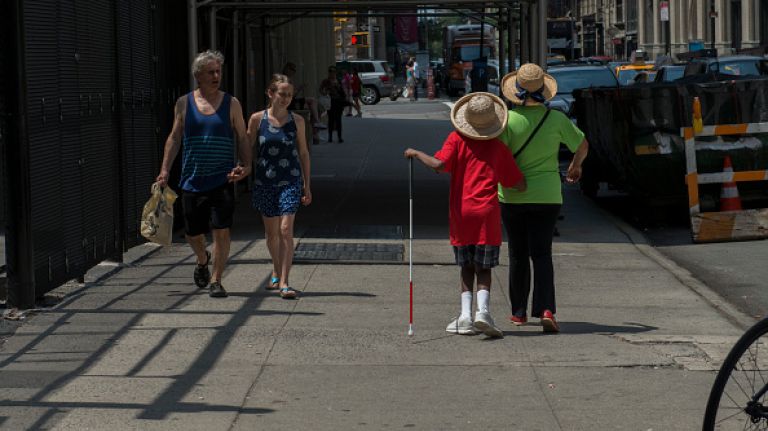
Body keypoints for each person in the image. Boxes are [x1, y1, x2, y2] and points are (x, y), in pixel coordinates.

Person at [404, 92, 526, 338]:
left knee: (466, 266)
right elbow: (517, 182)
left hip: (462, 213)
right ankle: (483, 312)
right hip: (487, 214)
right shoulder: (498, 148)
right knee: (485, 267)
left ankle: (465, 316)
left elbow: (439, 165)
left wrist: (416, 154)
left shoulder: (456, 140)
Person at [498, 63, 589, 333]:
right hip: (548, 195)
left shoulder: (508, 120)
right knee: (542, 253)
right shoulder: (557, 119)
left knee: (517, 254)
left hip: (513, 195)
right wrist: (575, 166)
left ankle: (518, 313)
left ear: (516, 91)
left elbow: (499, 158)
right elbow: (582, 145)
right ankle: (546, 309)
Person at [156, 49, 251, 298]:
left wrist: (246, 164)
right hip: (192, 179)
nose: (216, 76)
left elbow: (242, 136)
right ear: (198, 75)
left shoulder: (231, 103)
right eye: (211, 72)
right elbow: (175, 138)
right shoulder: (184, 103)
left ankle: (216, 280)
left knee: (222, 230)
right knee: (192, 232)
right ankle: (202, 257)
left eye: (218, 71)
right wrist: (165, 169)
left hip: (222, 178)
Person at [247, 74, 312, 299]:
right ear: (270, 93)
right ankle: (276, 268)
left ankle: (285, 282)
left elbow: (303, 153)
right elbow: (247, 147)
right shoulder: (257, 119)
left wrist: (307, 185)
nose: (285, 99)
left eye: (289, 95)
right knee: (271, 233)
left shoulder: (298, 121)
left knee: (285, 230)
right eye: (282, 94)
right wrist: (242, 167)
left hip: (290, 180)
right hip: (265, 181)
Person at [281, 62, 325, 131]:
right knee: (314, 104)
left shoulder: (288, 79)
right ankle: (316, 126)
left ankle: (315, 130)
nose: (294, 72)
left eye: (295, 70)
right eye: (292, 70)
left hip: (292, 101)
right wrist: (300, 88)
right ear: (287, 69)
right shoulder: (285, 80)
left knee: (315, 106)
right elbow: (292, 94)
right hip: (290, 103)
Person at [319, 65, 345, 143]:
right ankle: (330, 137)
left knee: (338, 120)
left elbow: (342, 92)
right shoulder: (325, 81)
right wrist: (325, 92)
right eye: (330, 71)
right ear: (329, 72)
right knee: (331, 119)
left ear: (336, 72)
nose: (332, 73)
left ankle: (339, 137)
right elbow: (320, 90)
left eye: (333, 71)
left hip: (339, 102)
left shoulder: (339, 81)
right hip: (330, 102)